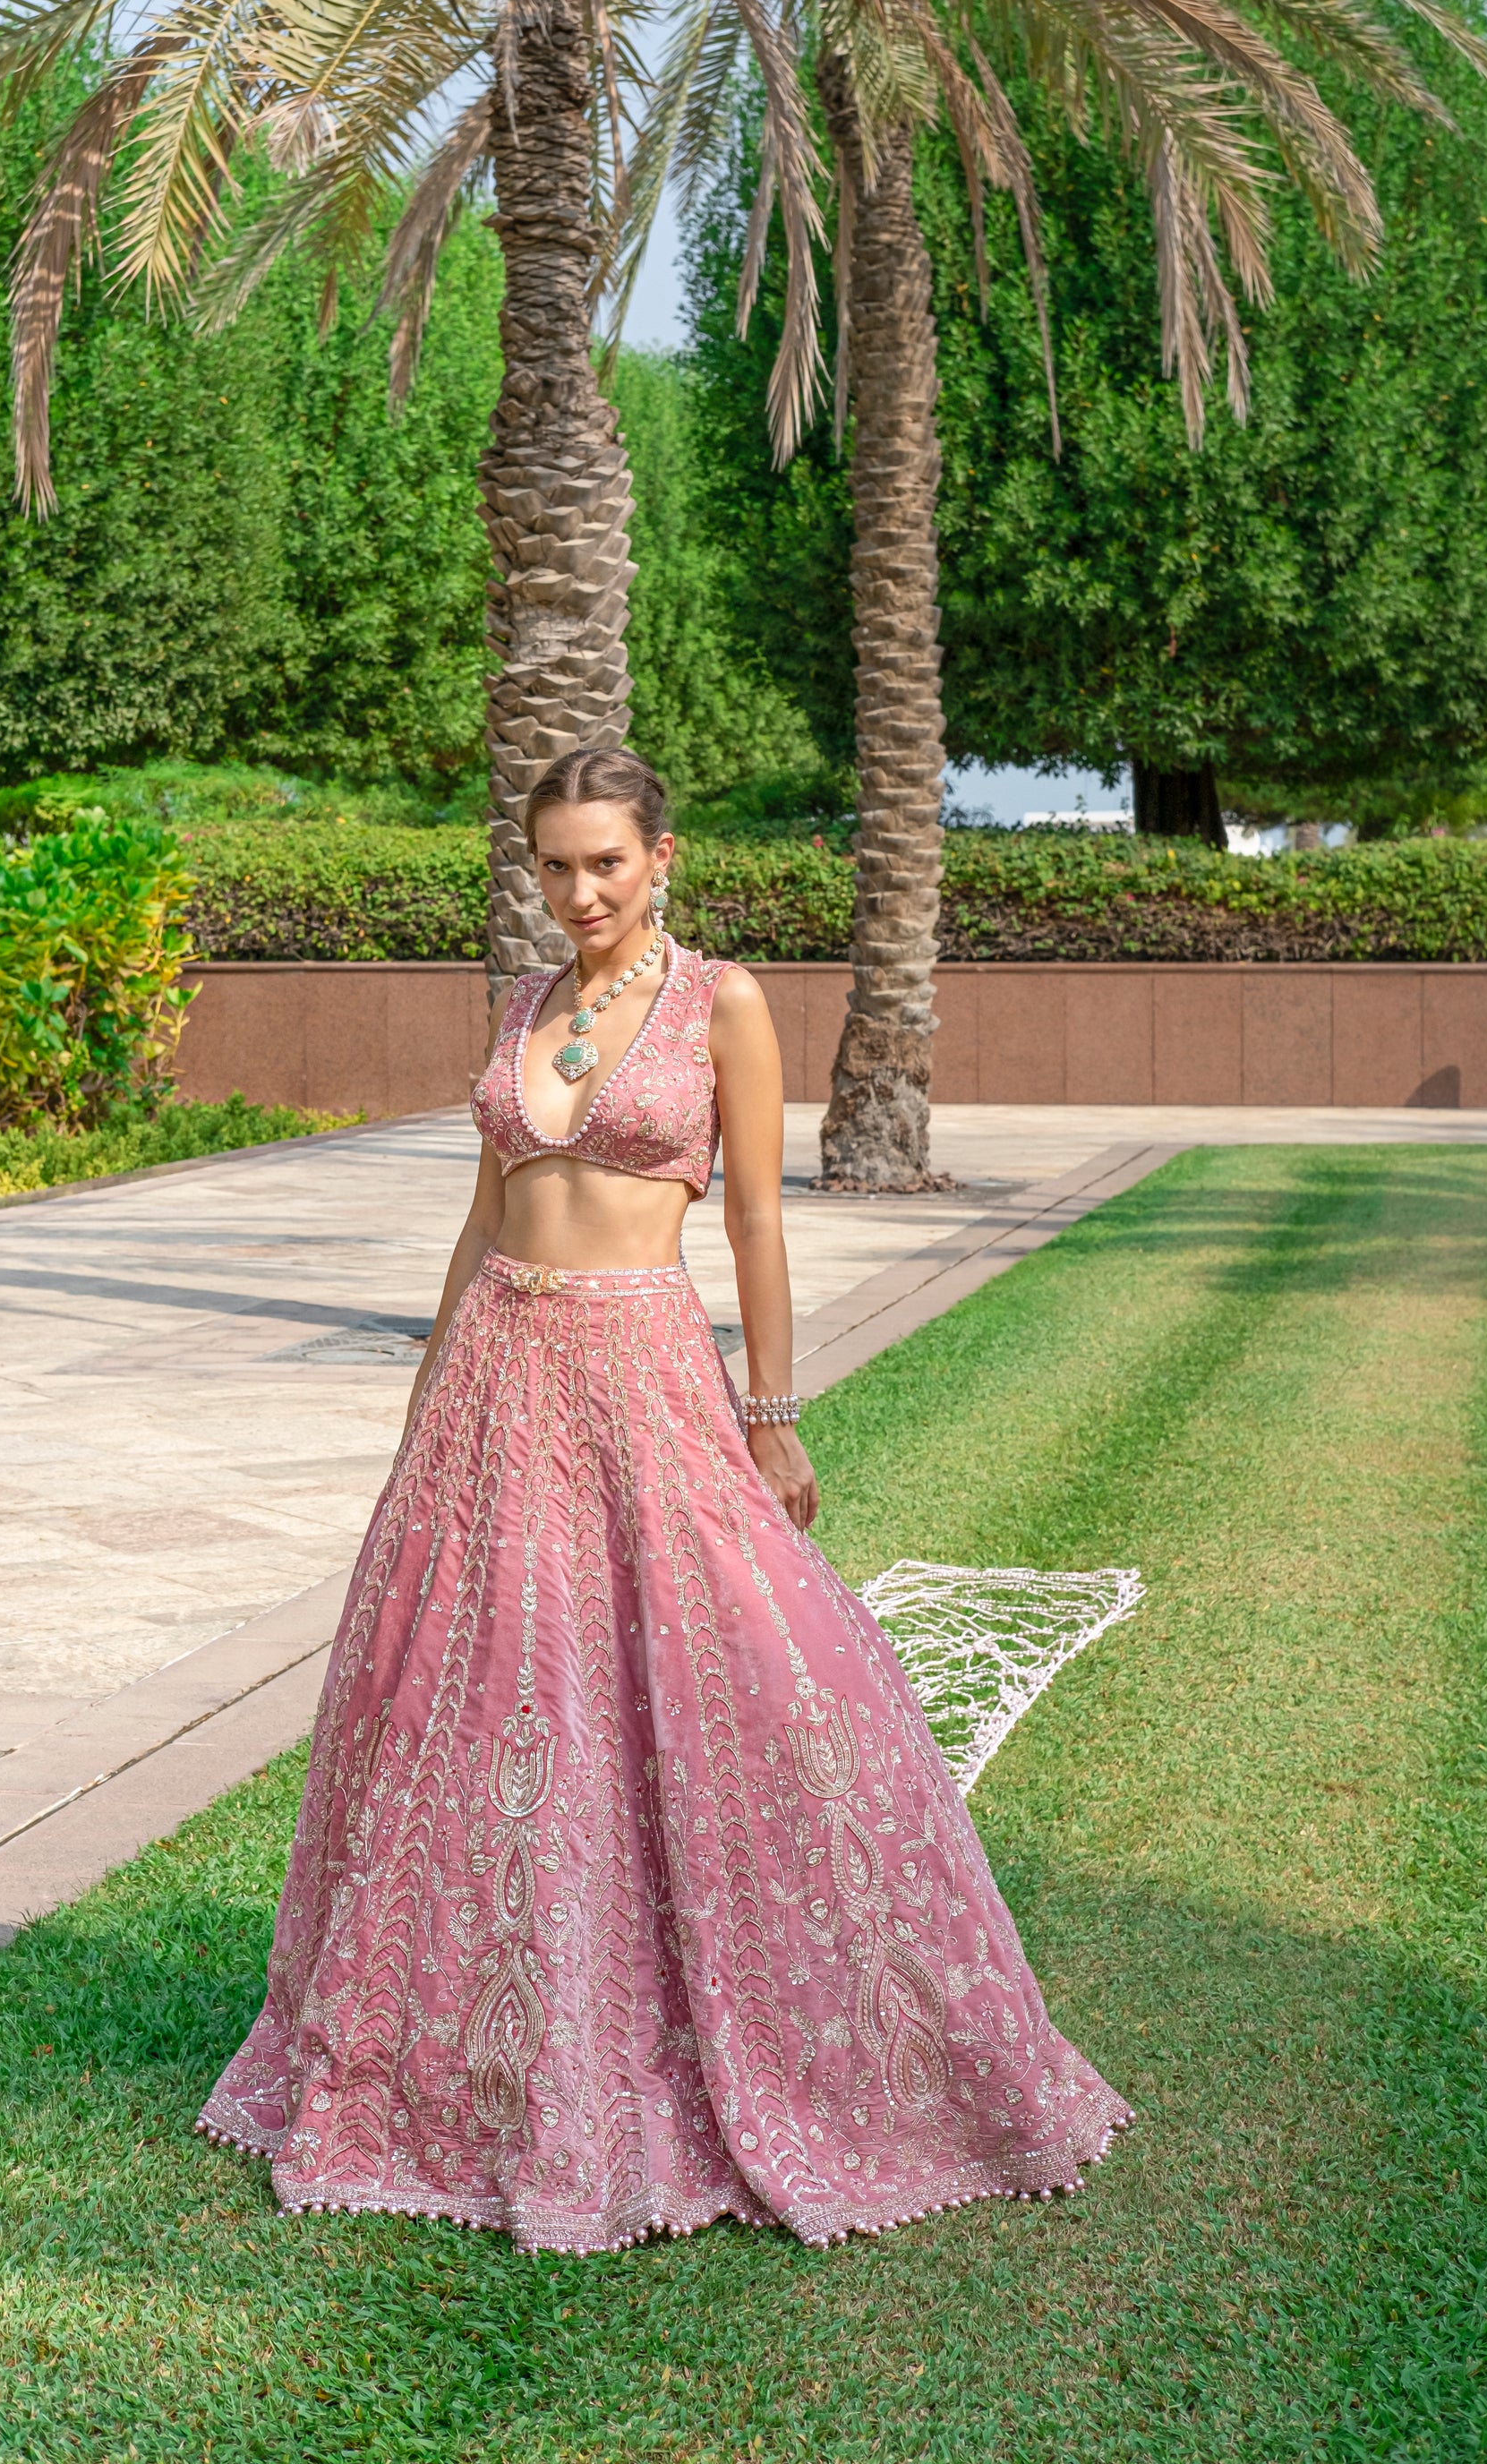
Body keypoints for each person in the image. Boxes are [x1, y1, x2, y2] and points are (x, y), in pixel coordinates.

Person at [199, 748, 1130, 2251]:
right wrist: (428, 1394)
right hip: (501, 1360)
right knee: (478, 1686)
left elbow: (758, 1210)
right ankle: (467, 2048)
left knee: (727, 1669)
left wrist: (774, 1412)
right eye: (553, 866)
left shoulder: (724, 1003)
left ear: (662, 859)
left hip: (640, 1364)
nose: (576, 893)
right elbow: (485, 1209)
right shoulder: (527, 1007)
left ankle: (779, 2027)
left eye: (604, 865)